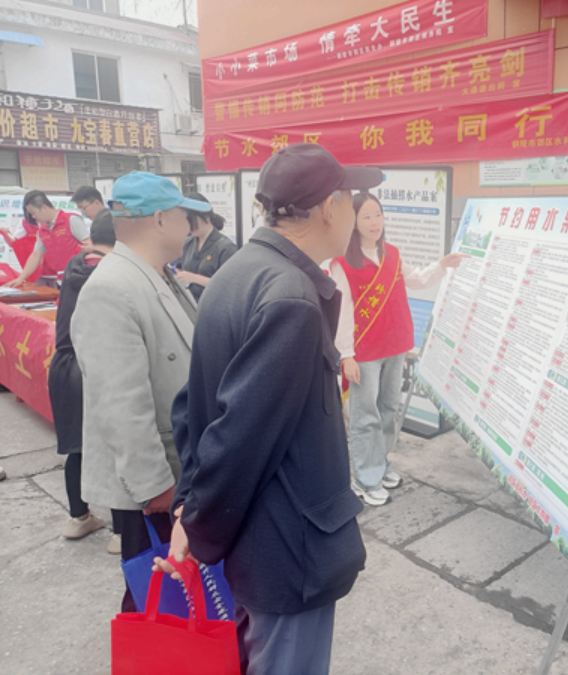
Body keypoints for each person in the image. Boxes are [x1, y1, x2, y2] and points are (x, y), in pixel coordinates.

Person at [155, 143, 379, 674]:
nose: (354, 213)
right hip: (286, 550)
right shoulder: (291, 297)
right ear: (329, 208)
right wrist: (197, 524)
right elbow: (240, 434)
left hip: (258, 542)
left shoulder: (240, 270)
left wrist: (191, 506)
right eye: (351, 199)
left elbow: (193, 406)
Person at [71, 172, 210, 611]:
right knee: (156, 594)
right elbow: (120, 405)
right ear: (160, 219)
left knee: (178, 591)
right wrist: (156, 488)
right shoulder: (111, 289)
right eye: (185, 216)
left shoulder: (157, 276)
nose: (190, 226)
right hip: (155, 486)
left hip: (179, 470)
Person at [330, 193, 466, 506]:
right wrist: (346, 355)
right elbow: (342, 312)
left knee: (389, 411)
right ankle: (364, 478)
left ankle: (380, 465)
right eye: (366, 216)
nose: (374, 222)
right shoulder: (342, 264)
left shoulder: (392, 254)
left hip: (394, 346)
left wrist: (441, 266)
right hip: (364, 352)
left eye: (377, 214)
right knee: (366, 416)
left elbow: (416, 280)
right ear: (353, 222)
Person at [49, 208, 123, 553]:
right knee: (116, 446)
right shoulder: (114, 271)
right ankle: (121, 531)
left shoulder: (75, 264)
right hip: (95, 367)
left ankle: (78, 517)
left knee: (76, 446)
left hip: (63, 365)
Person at [3, 190, 91, 288]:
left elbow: (88, 244)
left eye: (33, 212)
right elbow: (36, 255)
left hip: (79, 277)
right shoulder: (43, 230)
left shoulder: (71, 220)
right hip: (61, 280)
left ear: (44, 208)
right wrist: (21, 278)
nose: (33, 217)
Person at [173, 192, 238, 301]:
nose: (189, 225)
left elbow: (231, 286)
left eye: (192, 220)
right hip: (190, 305)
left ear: (207, 217)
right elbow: (177, 266)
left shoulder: (226, 248)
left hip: (213, 306)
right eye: (186, 221)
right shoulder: (187, 243)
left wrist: (194, 278)